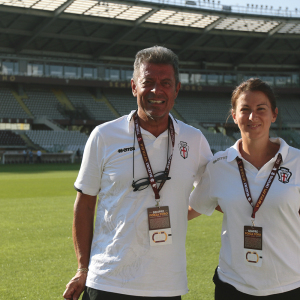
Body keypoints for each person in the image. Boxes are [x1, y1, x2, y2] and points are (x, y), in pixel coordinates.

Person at [63, 46, 212, 300]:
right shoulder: (104, 136)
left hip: (167, 284)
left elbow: (213, 193)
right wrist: (82, 268)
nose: (157, 90)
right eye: (148, 82)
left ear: (177, 89)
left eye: (166, 83)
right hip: (108, 281)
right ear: (134, 87)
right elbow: (85, 204)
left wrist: (176, 214)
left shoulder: (194, 140)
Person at [189, 78, 300, 299]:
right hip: (233, 286)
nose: (252, 117)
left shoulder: (297, 161)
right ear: (234, 114)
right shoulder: (219, 164)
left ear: (274, 114)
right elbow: (194, 208)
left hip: (289, 285)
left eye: (261, 109)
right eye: (245, 109)